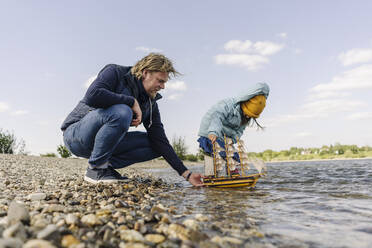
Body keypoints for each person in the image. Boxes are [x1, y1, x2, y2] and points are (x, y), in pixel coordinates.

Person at [61, 53, 203, 186]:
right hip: (76, 135)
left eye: (164, 82)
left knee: (156, 145)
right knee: (122, 111)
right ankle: (95, 169)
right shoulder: (115, 72)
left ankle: (105, 166)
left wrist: (187, 174)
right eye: (160, 81)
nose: (163, 87)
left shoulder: (151, 103)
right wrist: (131, 101)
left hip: (103, 144)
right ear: (145, 72)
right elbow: (92, 95)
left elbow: (160, 140)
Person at [197, 82, 269, 175]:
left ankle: (232, 176)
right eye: (247, 113)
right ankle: (211, 176)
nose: (247, 116)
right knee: (218, 155)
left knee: (233, 157)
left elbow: (239, 132)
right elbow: (217, 116)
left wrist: (233, 141)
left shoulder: (245, 118)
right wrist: (213, 132)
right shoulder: (228, 105)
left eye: (250, 116)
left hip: (225, 138)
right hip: (209, 132)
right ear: (244, 104)